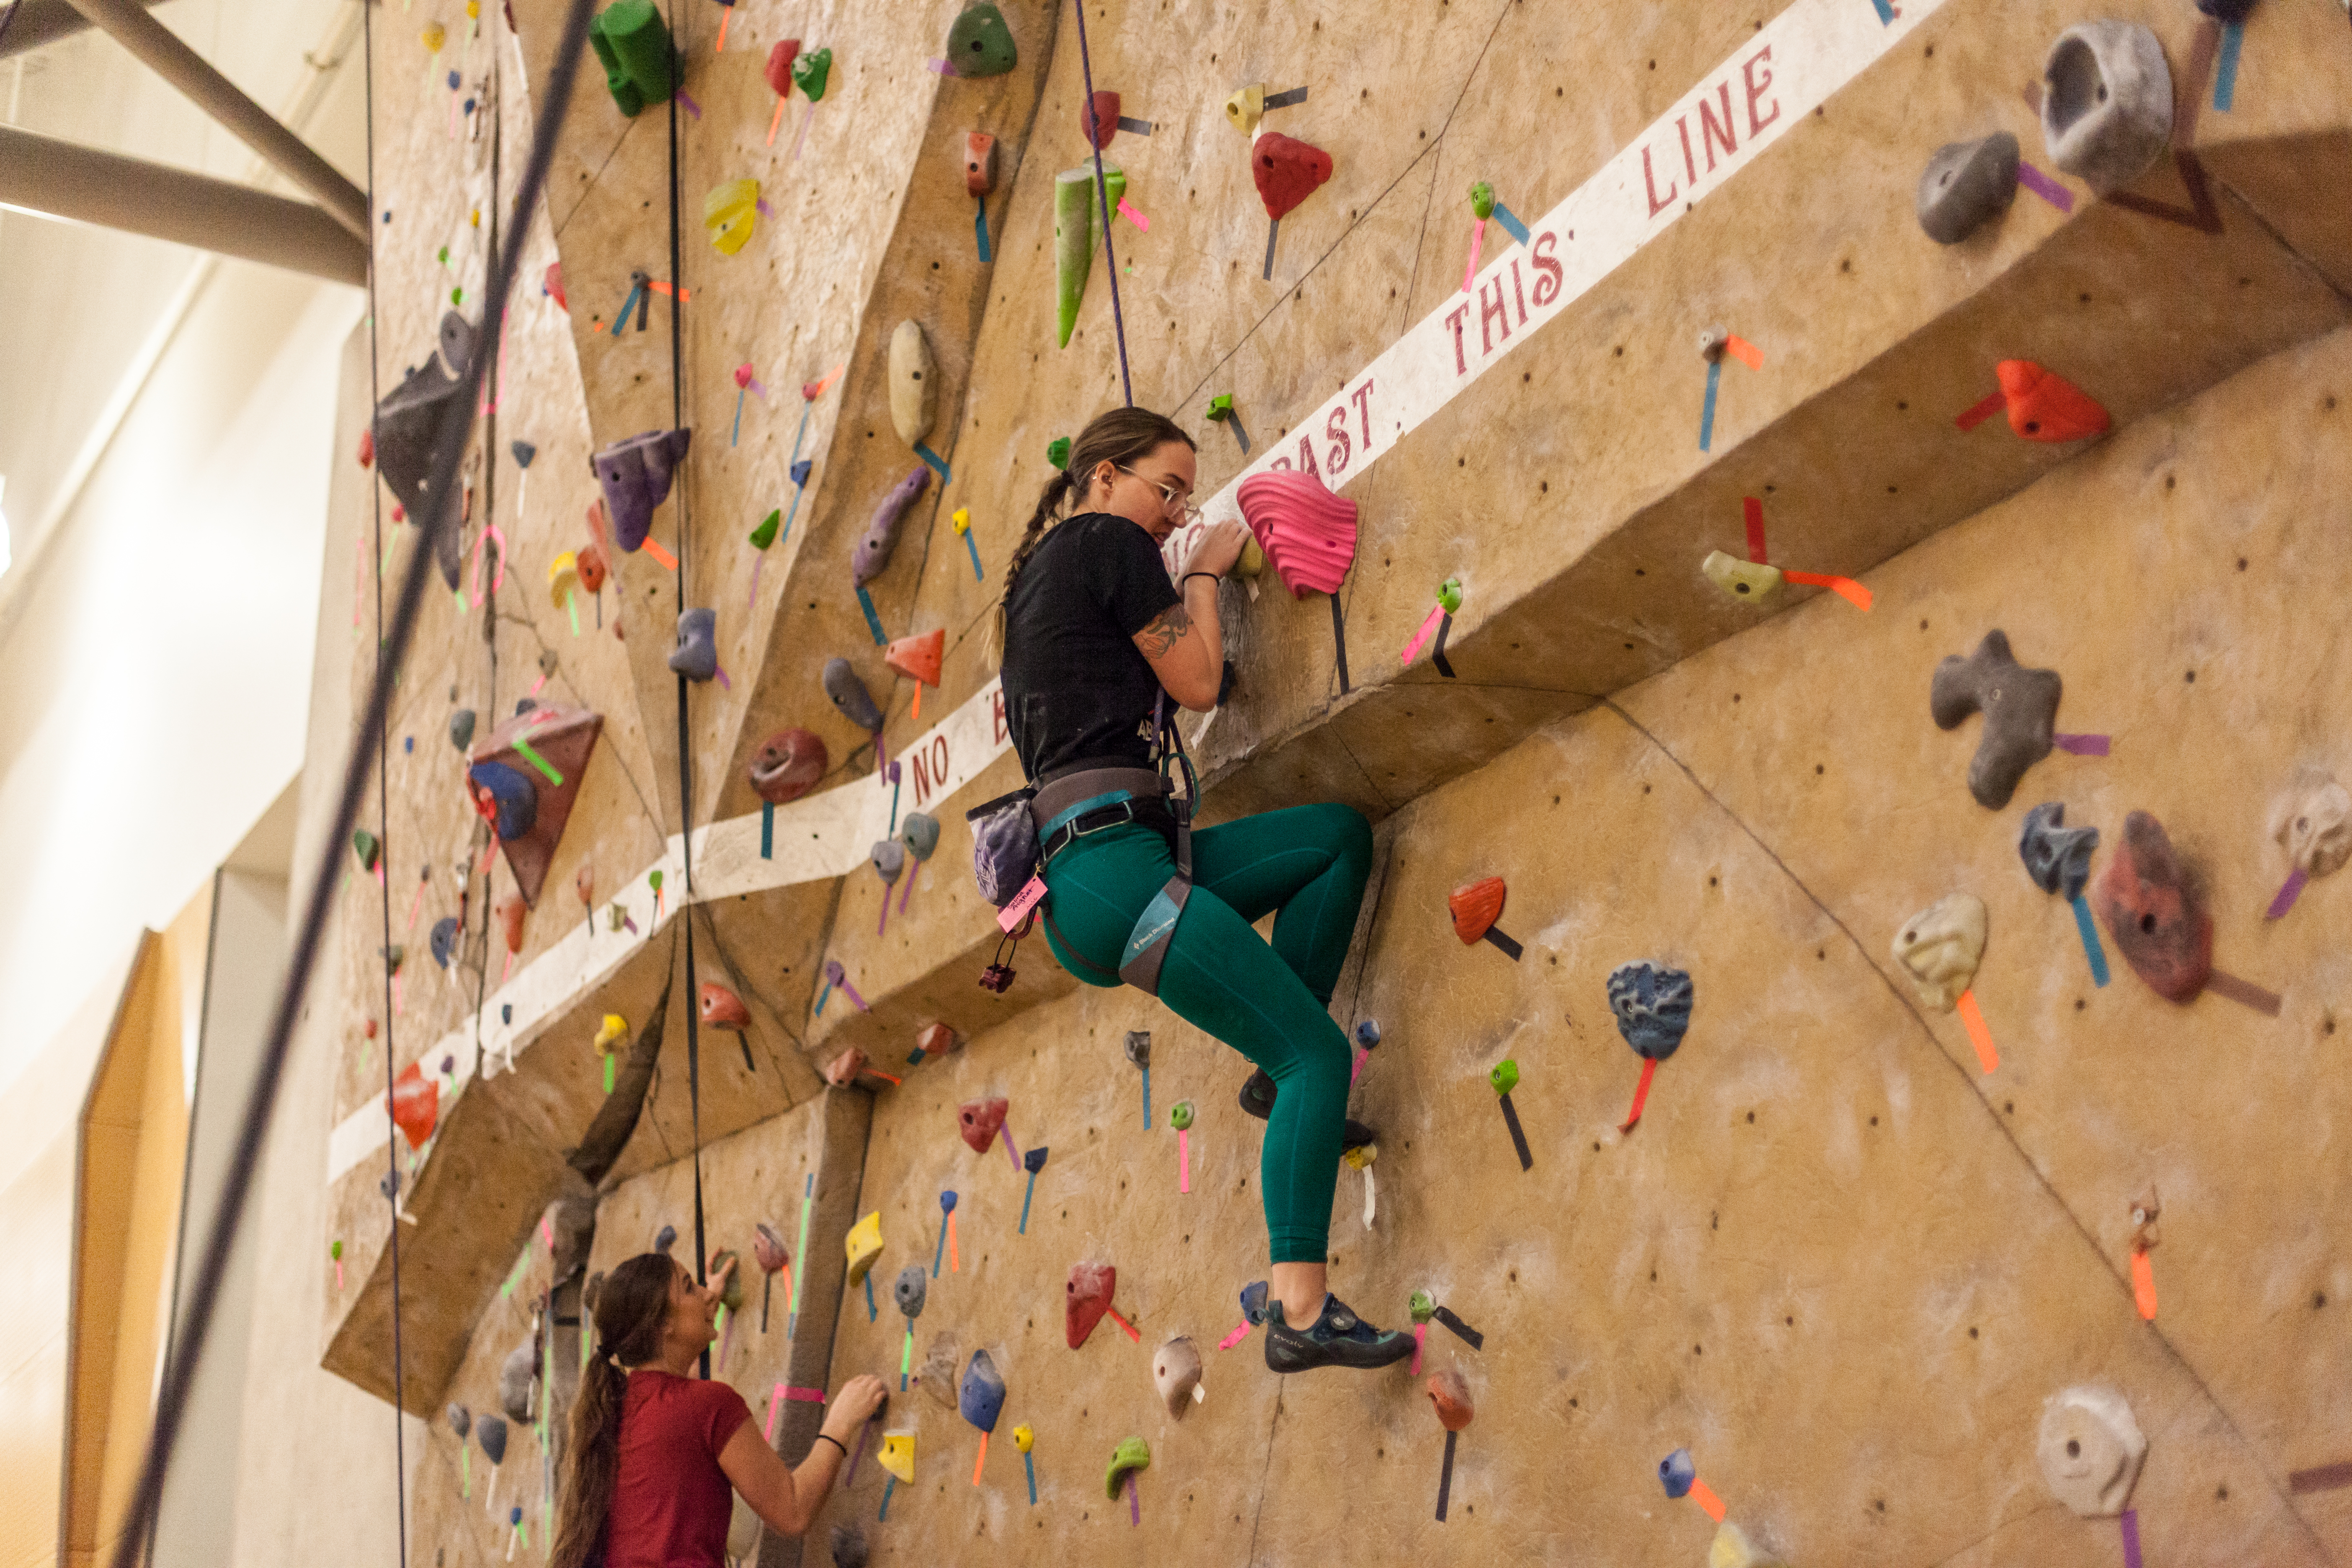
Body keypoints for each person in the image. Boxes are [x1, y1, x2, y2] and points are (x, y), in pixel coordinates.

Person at [997, 406, 1411, 1373]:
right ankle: (1299, 1309)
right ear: (1101, 477)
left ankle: (1274, 1079)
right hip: (1112, 872)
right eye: (1164, 486)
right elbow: (1197, 679)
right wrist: (1202, 572)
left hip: (1111, 866)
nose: (1177, 507)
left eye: (1187, 493)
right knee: (1320, 1055)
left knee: (1333, 839)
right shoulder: (1107, 539)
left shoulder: (1039, 579)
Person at [549, 1251, 888, 1568]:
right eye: (688, 1288)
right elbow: (793, 1510)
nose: (706, 1295)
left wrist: (700, 1306)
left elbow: (681, 1415)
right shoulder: (709, 1404)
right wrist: (841, 1423)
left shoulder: (617, 1408)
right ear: (663, 1323)